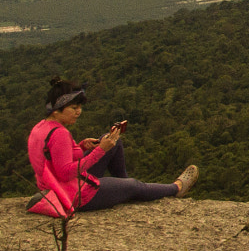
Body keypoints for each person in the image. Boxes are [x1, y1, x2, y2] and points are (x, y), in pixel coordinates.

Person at [27, 76, 197, 218]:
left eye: (79, 107)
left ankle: (122, 190)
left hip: (58, 185)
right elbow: (65, 173)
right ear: (56, 110)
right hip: (74, 194)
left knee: (113, 142)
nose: (79, 112)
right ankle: (176, 188)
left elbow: (54, 159)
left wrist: (82, 146)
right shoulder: (60, 134)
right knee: (134, 184)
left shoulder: (41, 127)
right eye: (74, 108)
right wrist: (101, 150)